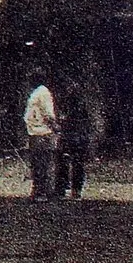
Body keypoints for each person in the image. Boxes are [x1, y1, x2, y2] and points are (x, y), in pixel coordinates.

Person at [23, 68, 59, 201]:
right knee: (37, 163)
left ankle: (43, 192)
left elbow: (48, 113)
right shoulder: (38, 93)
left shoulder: (43, 93)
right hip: (35, 131)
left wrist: (55, 127)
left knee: (42, 163)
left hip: (42, 132)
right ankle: (39, 190)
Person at [55, 79, 91, 200]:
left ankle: (63, 190)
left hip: (70, 136)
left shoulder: (67, 105)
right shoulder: (82, 106)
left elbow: (65, 120)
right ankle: (76, 191)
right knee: (78, 165)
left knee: (63, 163)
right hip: (80, 137)